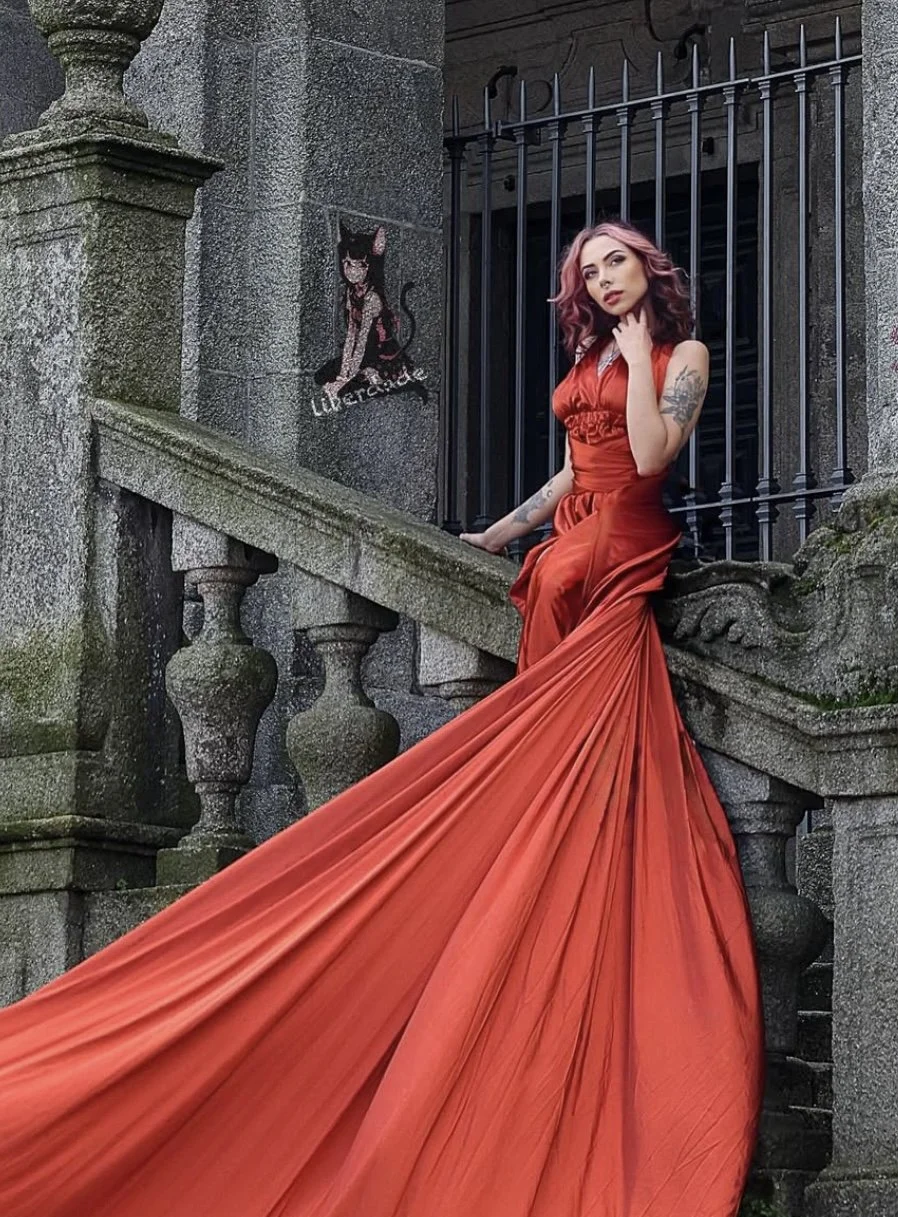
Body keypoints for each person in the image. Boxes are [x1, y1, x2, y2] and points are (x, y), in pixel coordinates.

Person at [0, 221, 763, 1217]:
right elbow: (584, 460)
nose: (603, 277)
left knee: (582, 734)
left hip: (622, 552)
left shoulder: (681, 355)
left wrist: (633, 351)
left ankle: (584, 870)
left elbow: (652, 457)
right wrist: (503, 528)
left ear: (648, 268)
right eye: (587, 270)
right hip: (567, 549)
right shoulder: (591, 358)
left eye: (615, 261)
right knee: (553, 705)